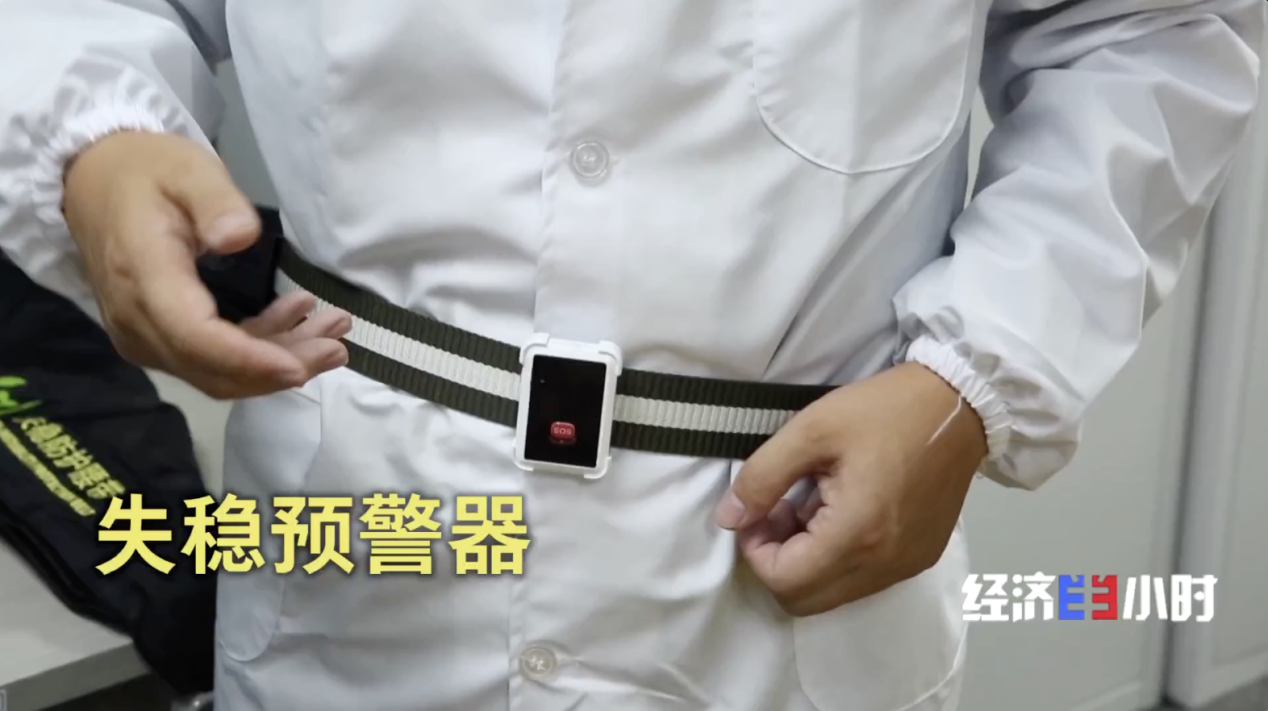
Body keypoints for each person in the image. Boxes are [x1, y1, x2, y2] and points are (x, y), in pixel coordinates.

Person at [0, 2, 1261, 710]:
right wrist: (96, 143)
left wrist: (972, 384)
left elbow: (1144, 32)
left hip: (773, 550)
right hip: (366, 541)